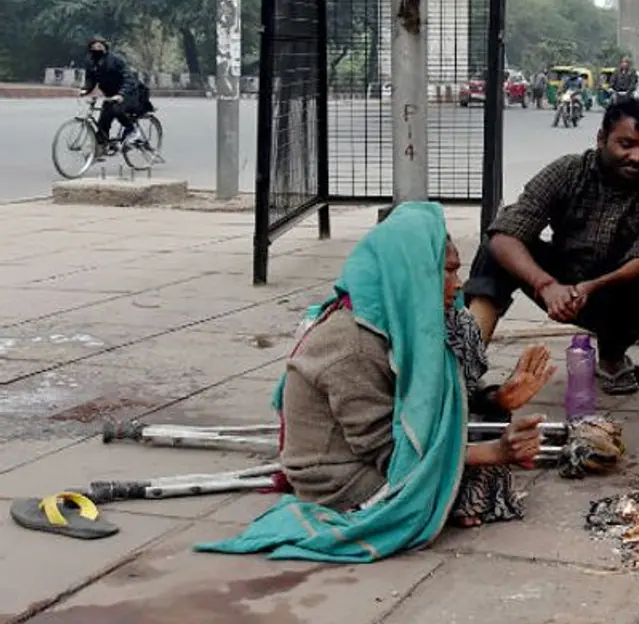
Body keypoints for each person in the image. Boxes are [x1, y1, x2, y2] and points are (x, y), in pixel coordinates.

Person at [197, 203, 555, 562]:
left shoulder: (406, 321)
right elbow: (388, 452)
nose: (458, 285)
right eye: (446, 272)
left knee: (478, 445)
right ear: (410, 275)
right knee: (476, 482)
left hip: (375, 450)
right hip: (339, 479)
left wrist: (498, 399)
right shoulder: (352, 345)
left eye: (457, 271)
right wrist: (495, 452)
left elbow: (432, 401)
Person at [466, 98, 639, 395]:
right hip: (561, 278)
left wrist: (591, 286)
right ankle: (464, 364)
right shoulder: (567, 171)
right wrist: (546, 284)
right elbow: (505, 234)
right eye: (626, 144)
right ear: (601, 138)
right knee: (494, 250)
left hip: (621, 287)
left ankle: (612, 357)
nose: (637, 156)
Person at [79, 36, 141, 154]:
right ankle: (101, 148)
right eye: (94, 47)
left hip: (128, 93)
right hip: (111, 95)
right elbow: (90, 80)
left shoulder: (116, 60)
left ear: (105, 47)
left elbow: (129, 79)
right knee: (103, 120)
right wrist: (85, 90)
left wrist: (121, 94)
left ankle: (132, 130)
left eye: (99, 46)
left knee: (117, 110)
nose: (97, 49)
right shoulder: (90, 62)